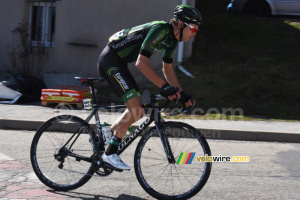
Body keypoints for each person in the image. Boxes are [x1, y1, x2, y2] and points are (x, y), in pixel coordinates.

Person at [97, 5, 201, 170]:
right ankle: (109, 154)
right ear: (181, 24)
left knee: (137, 109)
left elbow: (167, 69)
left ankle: (106, 133)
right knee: (137, 108)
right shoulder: (161, 29)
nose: (195, 32)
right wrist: (164, 86)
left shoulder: (172, 41)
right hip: (110, 61)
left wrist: (182, 95)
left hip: (120, 63)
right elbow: (141, 63)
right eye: (193, 28)